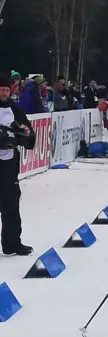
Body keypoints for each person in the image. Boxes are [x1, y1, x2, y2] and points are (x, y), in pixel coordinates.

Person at [0, 83, 36, 256]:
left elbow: (27, 130)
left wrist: (26, 131)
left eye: (6, 90)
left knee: (11, 204)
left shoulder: (15, 109)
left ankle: (12, 243)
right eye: (1, 90)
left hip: (9, 162)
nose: (4, 93)